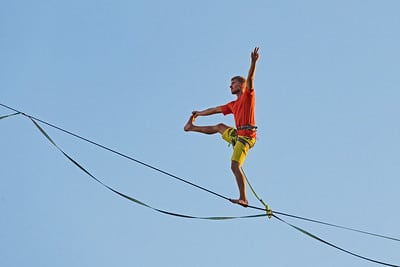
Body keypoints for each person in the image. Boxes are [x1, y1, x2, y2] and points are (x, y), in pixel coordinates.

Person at [184, 47, 260, 207]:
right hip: (238, 135)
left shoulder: (248, 97)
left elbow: (250, 78)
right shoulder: (233, 105)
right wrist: (198, 113)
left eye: (233, 83)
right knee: (219, 126)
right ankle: (191, 128)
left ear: (241, 86)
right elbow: (215, 110)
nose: (230, 86)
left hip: (246, 138)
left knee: (234, 165)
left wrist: (253, 63)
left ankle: (244, 198)